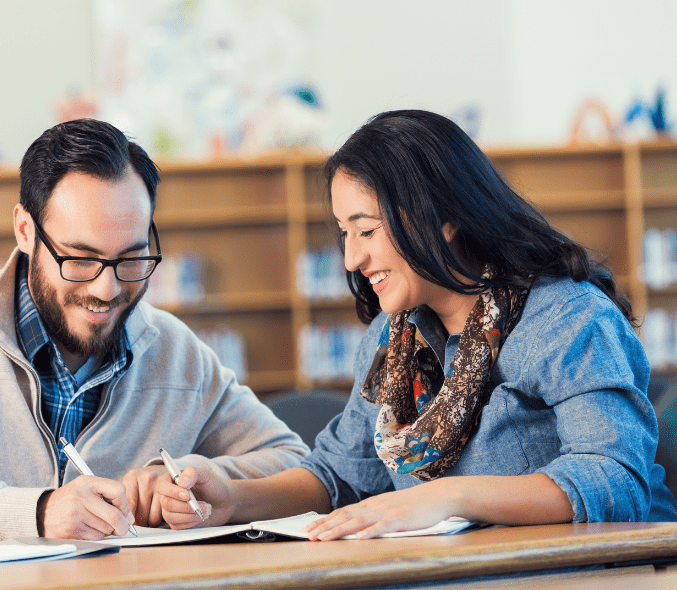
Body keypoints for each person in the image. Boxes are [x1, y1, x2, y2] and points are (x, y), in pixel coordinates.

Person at [155, 109, 677, 539]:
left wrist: (445, 497)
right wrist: (232, 500)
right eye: (344, 234)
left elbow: (614, 478)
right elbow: (339, 475)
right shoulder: (392, 341)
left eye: (366, 231)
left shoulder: (568, 318)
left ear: (443, 219)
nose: (351, 260)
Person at [0, 119, 309, 549]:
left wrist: (200, 477)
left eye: (131, 259)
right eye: (79, 259)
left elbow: (296, 464)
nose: (107, 289)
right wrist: (38, 512)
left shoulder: (176, 352)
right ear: (24, 230)